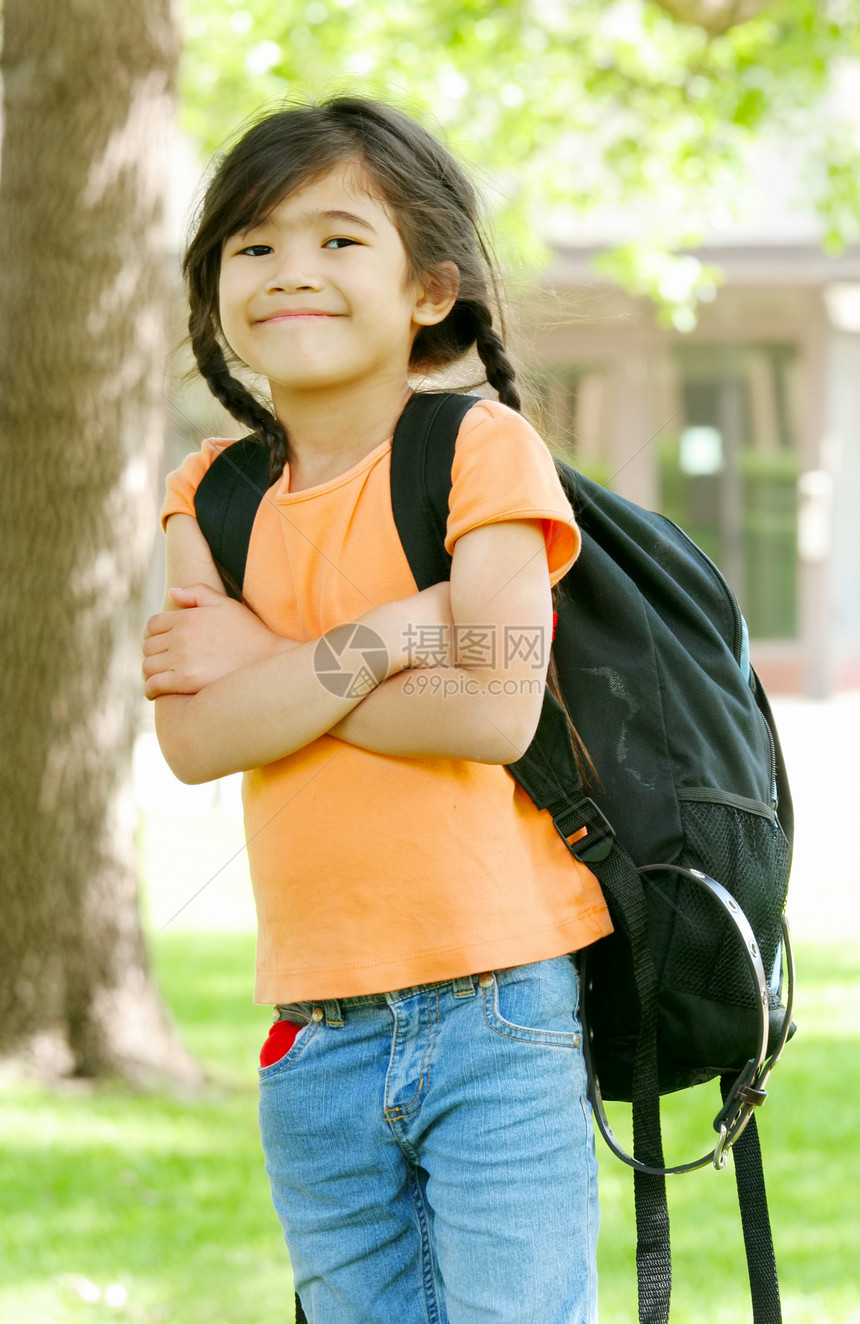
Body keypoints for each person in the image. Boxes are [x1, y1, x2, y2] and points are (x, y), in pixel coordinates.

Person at [142, 95, 613, 1324]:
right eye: (254, 246)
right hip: (315, 1029)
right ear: (215, 292)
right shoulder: (212, 493)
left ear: (427, 289)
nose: (290, 270)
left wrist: (275, 665)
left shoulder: (479, 450)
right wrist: (398, 631)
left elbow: (495, 706)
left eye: (338, 239)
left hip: (496, 1008)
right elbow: (195, 737)